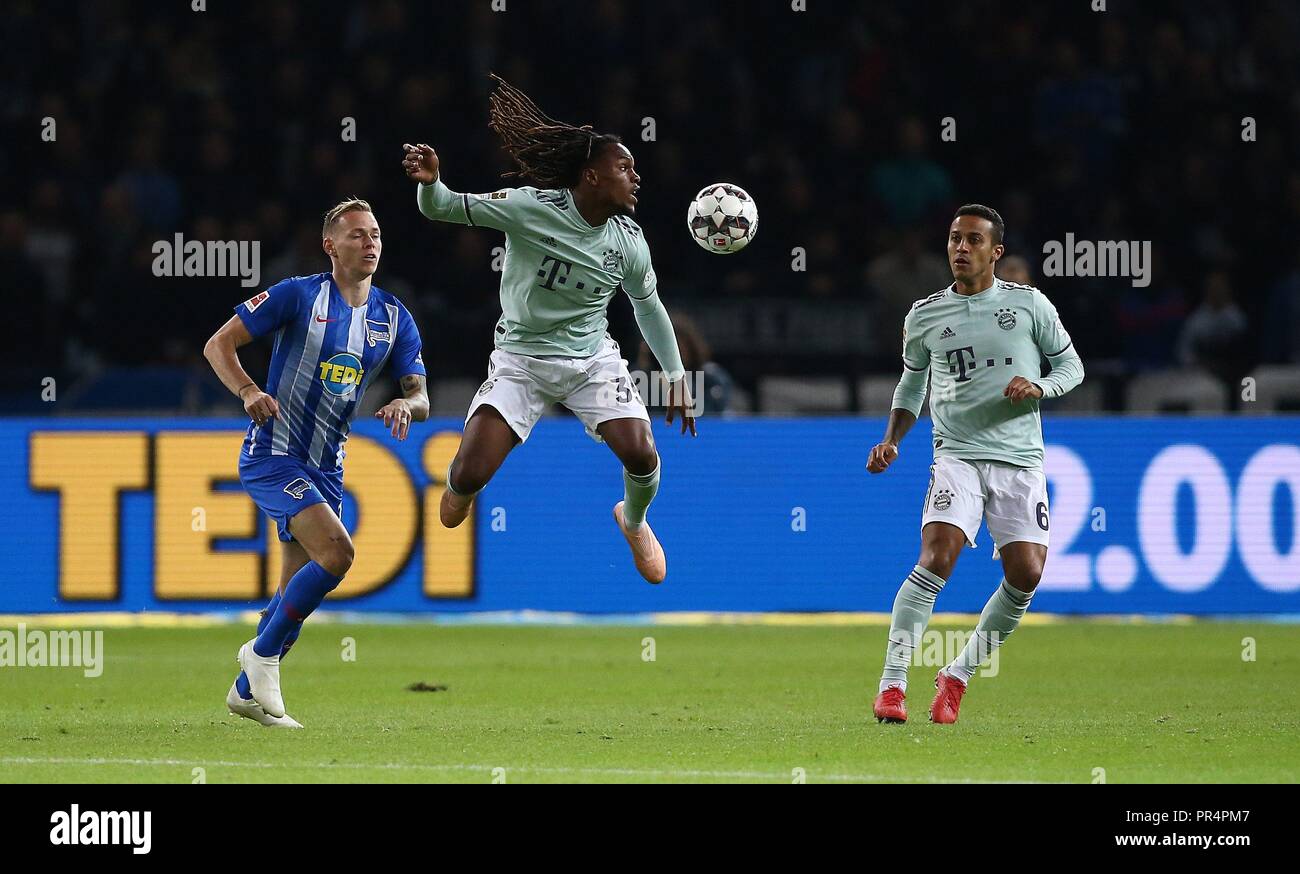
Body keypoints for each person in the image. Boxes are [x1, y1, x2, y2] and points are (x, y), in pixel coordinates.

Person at [402, 75, 694, 584]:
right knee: (468, 474)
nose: (635, 177)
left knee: (642, 452)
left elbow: (649, 307)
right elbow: (443, 208)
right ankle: (462, 489)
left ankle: (634, 519)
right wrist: (431, 183)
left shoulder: (629, 243)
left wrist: (675, 375)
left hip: (591, 361)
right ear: (592, 176)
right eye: (624, 167)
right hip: (521, 361)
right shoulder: (529, 207)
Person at [203, 199, 428, 727]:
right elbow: (219, 345)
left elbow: (421, 395)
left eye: (374, 234)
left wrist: (405, 404)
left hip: (327, 467)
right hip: (273, 455)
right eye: (356, 235)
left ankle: (245, 691)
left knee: (291, 592)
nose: (369, 242)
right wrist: (248, 390)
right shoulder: (297, 295)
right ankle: (259, 658)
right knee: (337, 553)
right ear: (330, 245)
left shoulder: (393, 317)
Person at [866, 204, 1085, 724]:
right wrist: (892, 438)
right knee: (937, 556)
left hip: (1018, 457)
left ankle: (956, 676)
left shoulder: (1029, 305)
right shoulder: (923, 315)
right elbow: (912, 383)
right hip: (957, 454)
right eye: (954, 239)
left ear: (996, 251)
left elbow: (1071, 365)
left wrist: (1039, 386)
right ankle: (893, 685)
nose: (961, 248)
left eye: (973, 240)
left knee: (1027, 573)